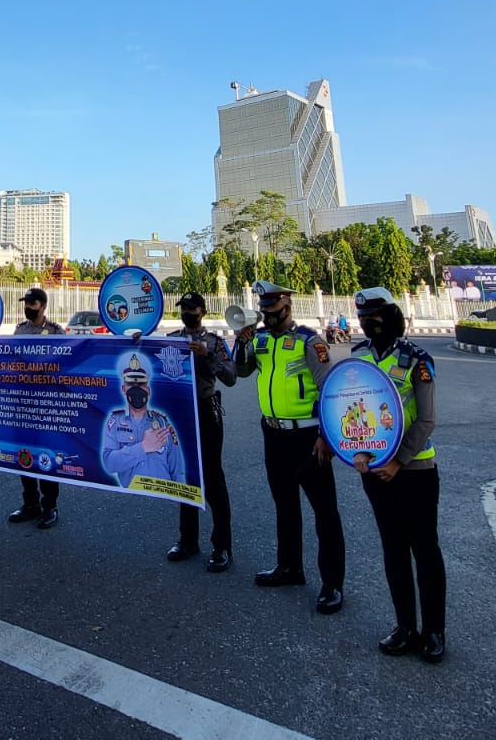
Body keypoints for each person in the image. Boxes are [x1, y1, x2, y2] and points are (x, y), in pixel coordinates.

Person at [234, 280, 345, 614]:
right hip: (273, 433)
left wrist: (326, 436)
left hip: (307, 437)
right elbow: (240, 371)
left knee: (324, 512)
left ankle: (332, 583)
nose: (266, 315)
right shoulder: (261, 339)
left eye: (272, 309)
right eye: (263, 309)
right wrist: (241, 342)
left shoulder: (309, 342)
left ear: (286, 306)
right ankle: (289, 567)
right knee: (285, 505)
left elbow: (329, 389)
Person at [350, 286, 446, 663]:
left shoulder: (417, 359)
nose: (367, 323)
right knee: (393, 549)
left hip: (416, 469)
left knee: (425, 549)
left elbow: (426, 420)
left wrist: (398, 461)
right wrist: (356, 451)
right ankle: (405, 626)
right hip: (375, 471)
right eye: (362, 317)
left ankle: (434, 631)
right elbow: (352, 412)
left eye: (374, 316)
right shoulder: (358, 359)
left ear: (391, 316)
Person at [164, 291, 235, 572]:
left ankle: (222, 546)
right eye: (183, 308)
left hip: (206, 410)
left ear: (202, 312)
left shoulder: (215, 342)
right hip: (180, 414)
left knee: (213, 479)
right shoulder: (171, 339)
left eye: (192, 309)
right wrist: (136, 340)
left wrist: (208, 356)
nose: (187, 313)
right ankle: (188, 540)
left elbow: (230, 377)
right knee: (184, 476)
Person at [8, 287, 65, 529]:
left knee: (46, 454)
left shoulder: (55, 331)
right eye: (26, 304)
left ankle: (50, 506)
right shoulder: (20, 330)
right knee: (24, 453)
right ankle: (30, 503)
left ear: (43, 306)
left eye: (32, 304)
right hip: (23, 401)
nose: (27, 308)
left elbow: (66, 360)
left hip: (45, 404)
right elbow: (11, 358)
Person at [101, 353, 185, 487]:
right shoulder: (114, 421)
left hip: (161, 493)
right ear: (123, 389)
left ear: (148, 390)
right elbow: (110, 464)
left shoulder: (162, 422)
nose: (136, 388)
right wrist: (143, 447)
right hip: (132, 494)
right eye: (130, 384)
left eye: (141, 384)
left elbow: (177, 470)